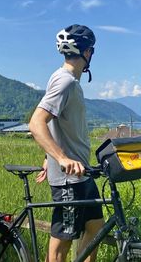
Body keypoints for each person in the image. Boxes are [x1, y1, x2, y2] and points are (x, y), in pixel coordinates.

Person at [29, 24, 103, 262]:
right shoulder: (65, 81)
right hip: (69, 179)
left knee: (96, 227)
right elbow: (37, 122)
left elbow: (55, 122)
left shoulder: (67, 80)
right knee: (61, 245)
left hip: (82, 173)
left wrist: (48, 156)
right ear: (88, 52)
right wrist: (59, 157)